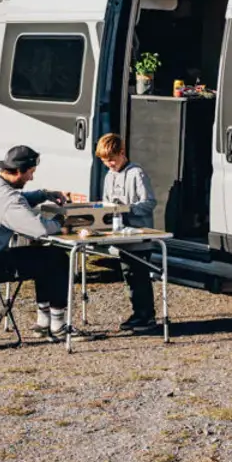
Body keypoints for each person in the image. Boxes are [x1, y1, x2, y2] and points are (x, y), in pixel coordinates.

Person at [0, 145, 74, 341]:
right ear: (20, 172)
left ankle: (43, 324)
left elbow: (18, 200)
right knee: (57, 259)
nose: (31, 178)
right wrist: (61, 224)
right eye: (30, 173)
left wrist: (43, 194)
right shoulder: (8, 200)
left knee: (42, 256)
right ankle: (58, 326)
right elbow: (38, 229)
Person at [96, 133, 158, 332]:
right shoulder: (109, 176)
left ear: (122, 153)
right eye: (106, 162)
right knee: (128, 274)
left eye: (112, 159)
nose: (110, 164)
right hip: (121, 235)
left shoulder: (136, 173)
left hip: (138, 234)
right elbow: (106, 201)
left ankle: (146, 315)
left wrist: (126, 209)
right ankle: (138, 312)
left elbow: (149, 202)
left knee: (139, 274)